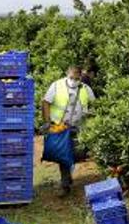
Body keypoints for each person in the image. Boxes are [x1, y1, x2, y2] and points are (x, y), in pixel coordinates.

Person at [41, 66, 96, 196]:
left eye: (76, 79)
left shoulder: (85, 88)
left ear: (80, 78)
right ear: (67, 75)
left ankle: (69, 168)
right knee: (63, 154)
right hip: (60, 126)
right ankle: (65, 184)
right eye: (71, 78)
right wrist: (48, 121)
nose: (74, 81)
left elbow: (95, 104)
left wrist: (92, 118)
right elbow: (45, 102)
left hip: (79, 127)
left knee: (80, 153)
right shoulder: (56, 85)